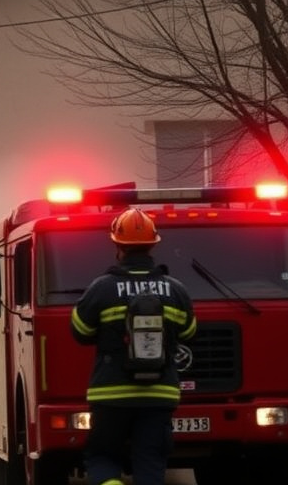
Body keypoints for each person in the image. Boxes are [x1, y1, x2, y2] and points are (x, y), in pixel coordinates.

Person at [70, 207, 197, 485]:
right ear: (153, 245)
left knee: (102, 458)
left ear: (118, 246)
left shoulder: (102, 288)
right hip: (159, 395)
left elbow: (80, 332)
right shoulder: (175, 289)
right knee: (150, 461)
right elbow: (189, 332)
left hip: (110, 394)